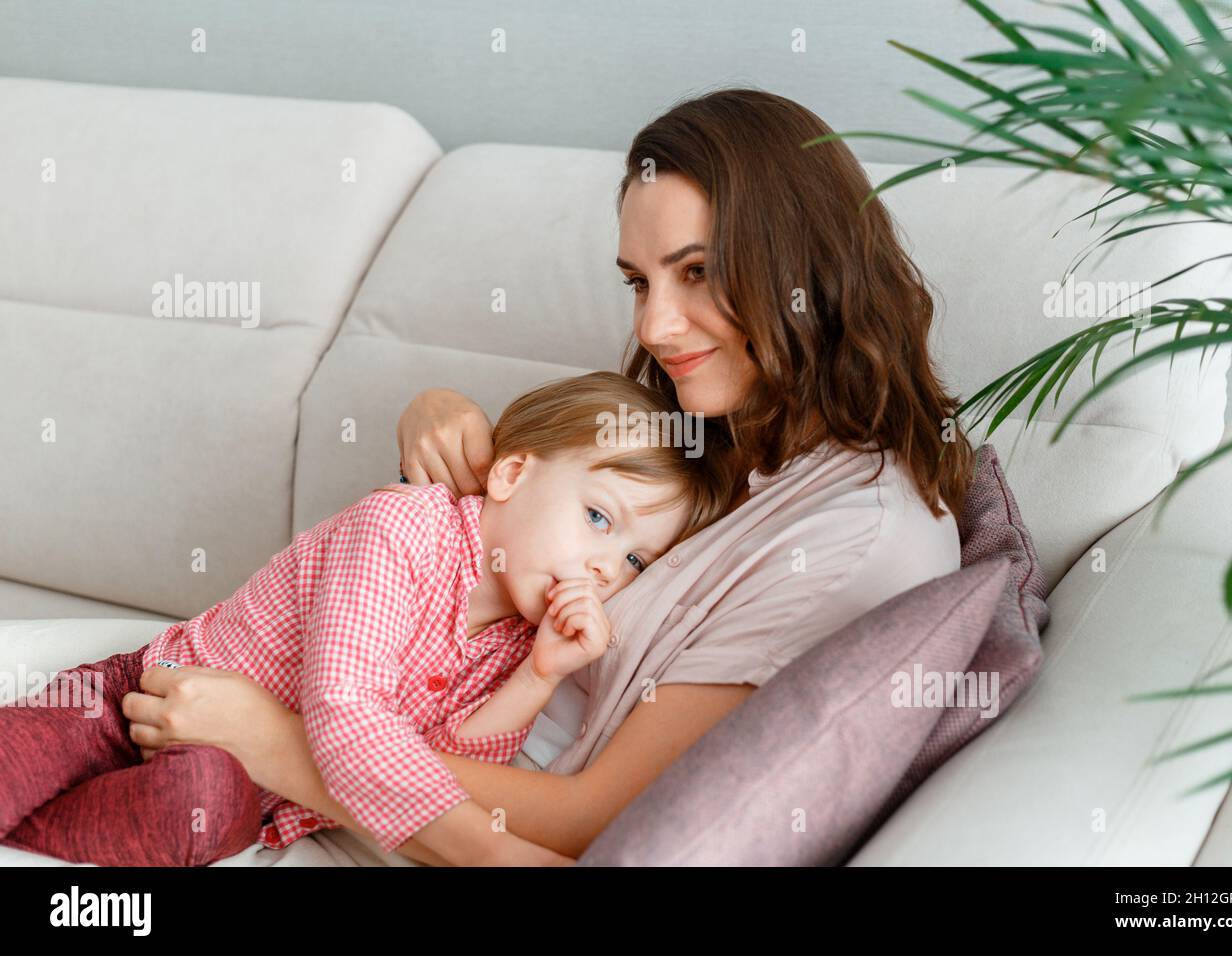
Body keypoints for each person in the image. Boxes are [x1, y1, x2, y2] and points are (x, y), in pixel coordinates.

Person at [122, 87, 974, 863]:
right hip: (373, 732)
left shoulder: (851, 538)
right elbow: (525, 510)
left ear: (802, 268)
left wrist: (283, 744)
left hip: (399, 802)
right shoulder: (726, 426)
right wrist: (440, 413)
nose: (657, 324)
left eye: (698, 271)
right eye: (639, 282)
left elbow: (588, 815)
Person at [0, 372, 729, 866]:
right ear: (512, 474)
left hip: (241, 789)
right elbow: (345, 715)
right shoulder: (404, 527)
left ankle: (30, 836)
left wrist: (538, 680)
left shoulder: (519, 642)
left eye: (635, 562)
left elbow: (451, 765)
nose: (607, 568)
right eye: (599, 518)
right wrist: (494, 854)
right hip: (136, 700)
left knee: (200, 809)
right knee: (24, 759)